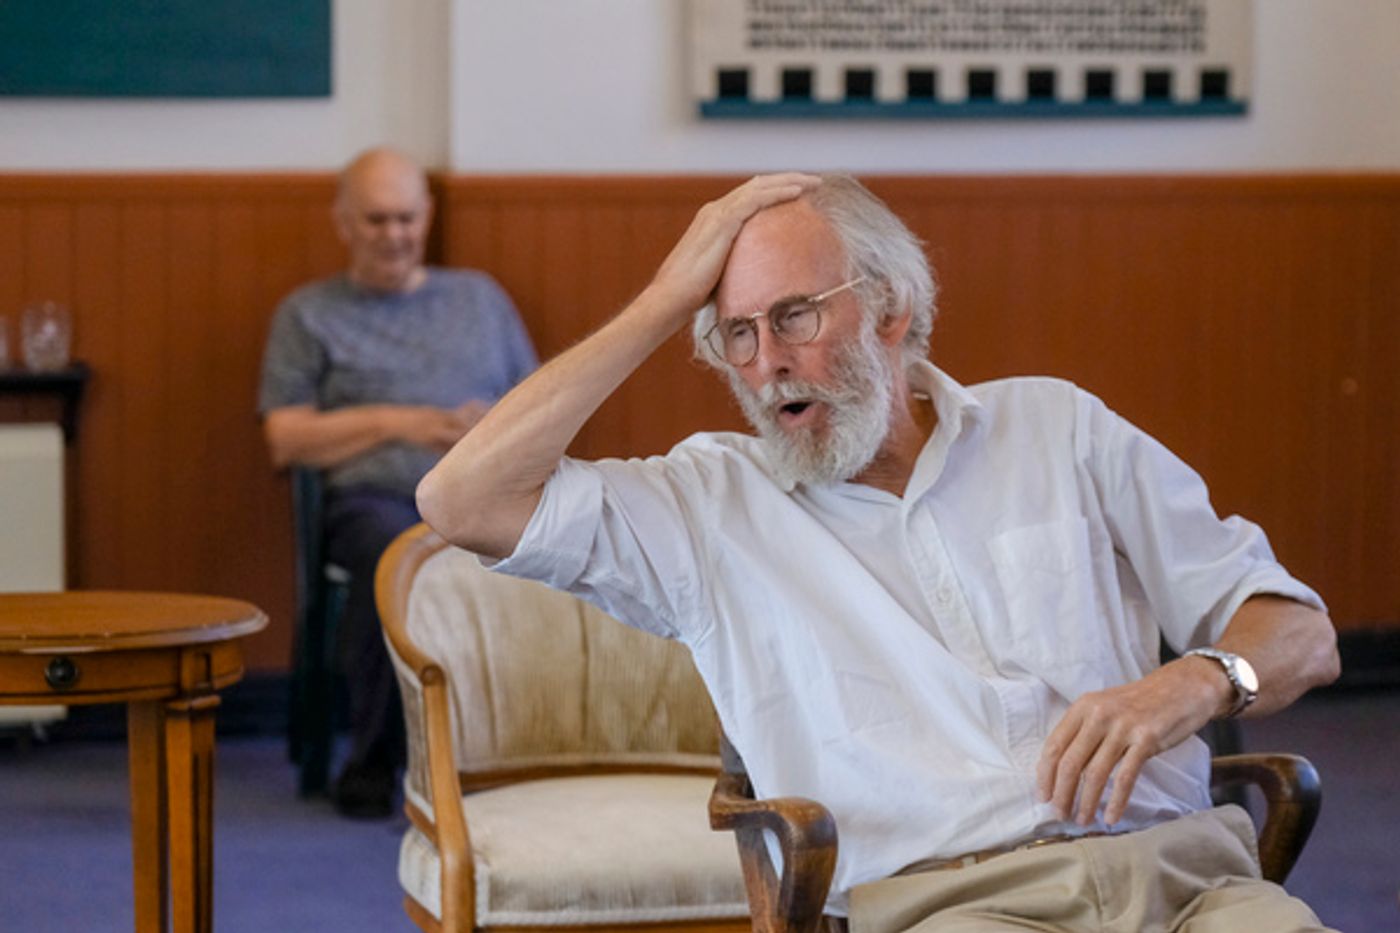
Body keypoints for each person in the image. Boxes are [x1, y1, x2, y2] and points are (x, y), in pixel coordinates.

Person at [414, 174, 1340, 930]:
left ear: (890, 306)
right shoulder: (707, 508)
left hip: (1188, 884)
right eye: (736, 332)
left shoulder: (1057, 426)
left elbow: (1301, 631)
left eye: (794, 317)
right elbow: (461, 497)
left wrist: (1196, 681)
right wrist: (664, 300)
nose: (765, 361)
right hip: (955, 907)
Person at [258, 147, 537, 818]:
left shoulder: (480, 299)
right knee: (402, 551)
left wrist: (489, 429)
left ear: (428, 216)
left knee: (561, 538)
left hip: (482, 493)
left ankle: (522, 752)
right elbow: (285, 437)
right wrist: (401, 423)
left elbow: (539, 408)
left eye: (406, 218)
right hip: (373, 501)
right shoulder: (308, 314)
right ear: (344, 222)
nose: (394, 235)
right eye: (376, 219)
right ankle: (377, 761)